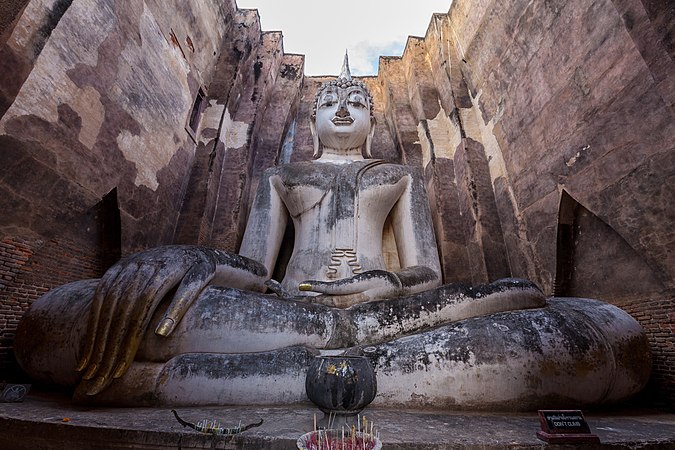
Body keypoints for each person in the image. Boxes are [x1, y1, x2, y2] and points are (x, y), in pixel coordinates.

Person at [14, 56, 650, 410]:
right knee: (70, 316)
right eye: (329, 100)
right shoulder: (282, 174)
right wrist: (193, 263)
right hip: (293, 311)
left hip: (391, 311)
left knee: (576, 324)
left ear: (371, 119)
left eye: (356, 100)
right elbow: (256, 270)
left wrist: (384, 283)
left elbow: (427, 273)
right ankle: (349, 365)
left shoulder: (398, 175)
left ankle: (219, 379)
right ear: (312, 116)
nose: (342, 108)